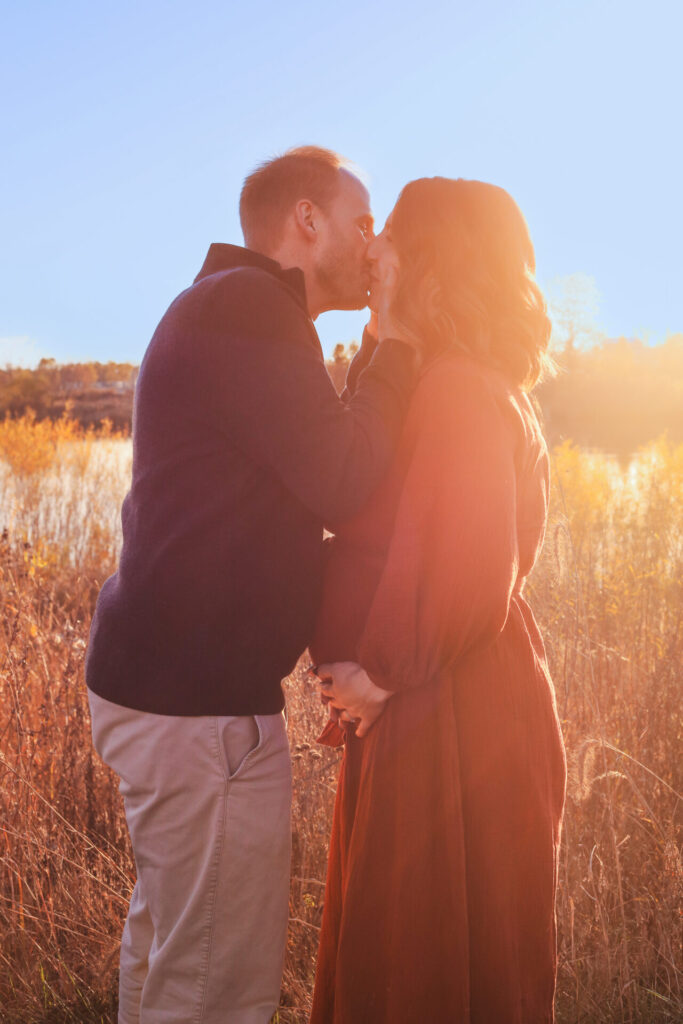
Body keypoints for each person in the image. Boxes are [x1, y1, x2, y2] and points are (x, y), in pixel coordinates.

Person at [85, 146, 418, 1024]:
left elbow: (313, 456)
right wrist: (394, 346)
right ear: (305, 221)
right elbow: (344, 474)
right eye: (359, 221)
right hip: (200, 715)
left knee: (169, 955)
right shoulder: (251, 311)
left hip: (166, 696)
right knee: (214, 993)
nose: (373, 243)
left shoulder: (229, 311)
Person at [309, 177, 568, 1023]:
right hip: (442, 690)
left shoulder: (460, 386)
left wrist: (379, 675)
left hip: (448, 707)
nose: (373, 253)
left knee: (425, 951)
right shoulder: (458, 378)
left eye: (391, 244)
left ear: (428, 262)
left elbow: (467, 559)